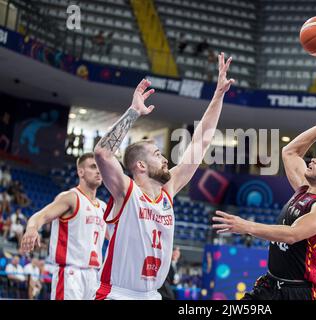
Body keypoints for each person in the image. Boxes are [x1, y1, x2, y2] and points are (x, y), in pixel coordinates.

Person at [93, 52, 234, 300]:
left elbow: (200, 142)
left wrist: (218, 95)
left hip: (152, 294)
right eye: (158, 154)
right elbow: (102, 153)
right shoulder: (126, 191)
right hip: (119, 294)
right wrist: (133, 112)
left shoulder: (167, 193)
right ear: (140, 166)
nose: (166, 158)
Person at [212, 104, 316, 300]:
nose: (312, 160)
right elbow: (289, 152)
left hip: (297, 292)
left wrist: (246, 226)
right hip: (269, 285)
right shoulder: (303, 189)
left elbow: (293, 234)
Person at [20, 153, 108, 300]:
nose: (99, 171)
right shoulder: (70, 197)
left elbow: (116, 236)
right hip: (70, 274)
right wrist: (32, 229)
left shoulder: (103, 207)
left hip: (93, 275)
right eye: (93, 167)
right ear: (81, 172)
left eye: (100, 167)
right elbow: (40, 216)